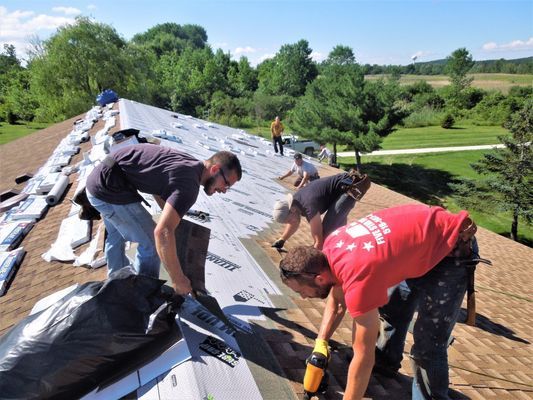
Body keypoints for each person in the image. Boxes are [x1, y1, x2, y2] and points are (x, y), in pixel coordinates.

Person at [279, 204, 485, 400]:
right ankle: (387, 360)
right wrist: (320, 344)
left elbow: (363, 355)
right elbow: (337, 301)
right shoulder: (330, 248)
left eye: (301, 291)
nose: (303, 297)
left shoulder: (359, 279)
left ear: (319, 278)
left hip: (453, 247)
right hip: (420, 244)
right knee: (395, 308)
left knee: (429, 345)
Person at [86, 144, 242, 295]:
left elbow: (158, 187)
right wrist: (178, 280)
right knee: (152, 243)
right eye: (226, 184)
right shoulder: (189, 185)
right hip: (108, 190)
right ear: (214, 169)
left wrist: (173, 217)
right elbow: (162, 232)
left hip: (100, 177)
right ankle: (143, 295)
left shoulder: (191, 163)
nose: (224, 190)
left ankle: (114, 286)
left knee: (116, 234)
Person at [271, 171, 370, 250]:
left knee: (327, 232)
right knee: (335, 224)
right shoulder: (295, 204)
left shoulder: (308, 206)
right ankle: (341, 244)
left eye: (288, 220)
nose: (289, 223)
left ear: (292, 209)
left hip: (350, 187)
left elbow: (318, 241)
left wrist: (312, 258)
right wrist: (282, 239)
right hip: (343, 185)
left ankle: (337, 251)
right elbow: (294, 222)